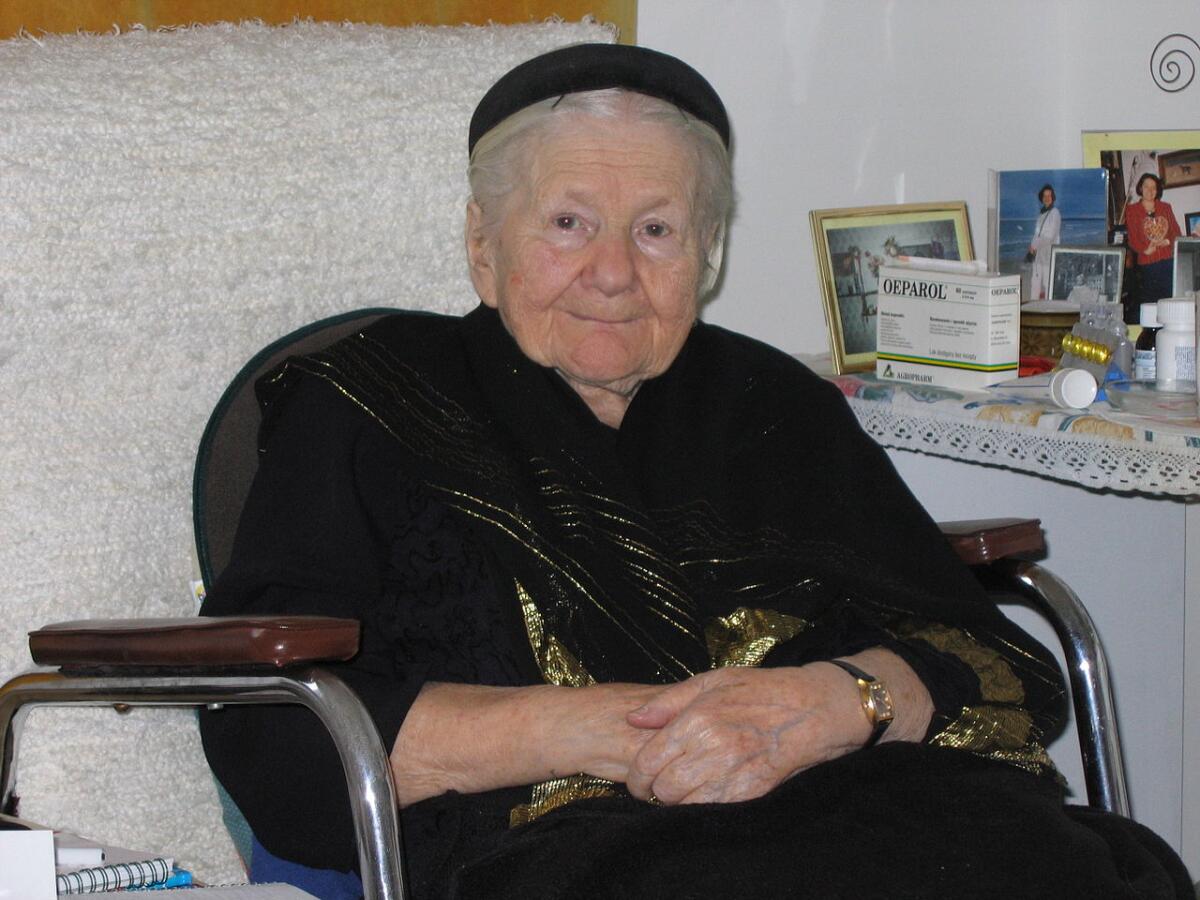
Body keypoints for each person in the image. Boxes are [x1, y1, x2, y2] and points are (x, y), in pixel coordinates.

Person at [199, 44, 1192, 899]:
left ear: (707, 253)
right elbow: (272, 731)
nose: (613, 273)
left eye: (657, 229)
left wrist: (840, 702)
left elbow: (989, 665)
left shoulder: (774, 404)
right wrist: (620, 731)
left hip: (867, 806)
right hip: (560, 841)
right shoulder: (372, 400)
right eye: (568, 223)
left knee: (1083, 867)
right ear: (482, 247)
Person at [1126, 172, 1183, 305]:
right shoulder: (1131, 210)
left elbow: (1176, 231)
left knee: (1171, 301)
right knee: (1152, 303)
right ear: (1140, 188)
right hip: (1147, 262)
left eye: (1154, 187)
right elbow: (1132, 238)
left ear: (1157, 191)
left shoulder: (1166, 207)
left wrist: (1167, 241)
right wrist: (1145, 250)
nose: (1150, 190)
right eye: (1146, 186)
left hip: (1168, 260)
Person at [1027, 183, 1061, 302]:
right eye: (1044, 196)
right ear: (1041, 198)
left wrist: (1034, 246)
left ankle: (1047, 308)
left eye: (1049, 196)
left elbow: (1050, 236)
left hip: (1048, 255)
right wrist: (1032, 246)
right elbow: (1037, 234)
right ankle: (1033, 307)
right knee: (1035, 283)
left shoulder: (1055, 213)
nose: (1046, 198)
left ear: (1053, 198)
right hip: (1038, 256)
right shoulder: (1041, 214)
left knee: (1047, 284)